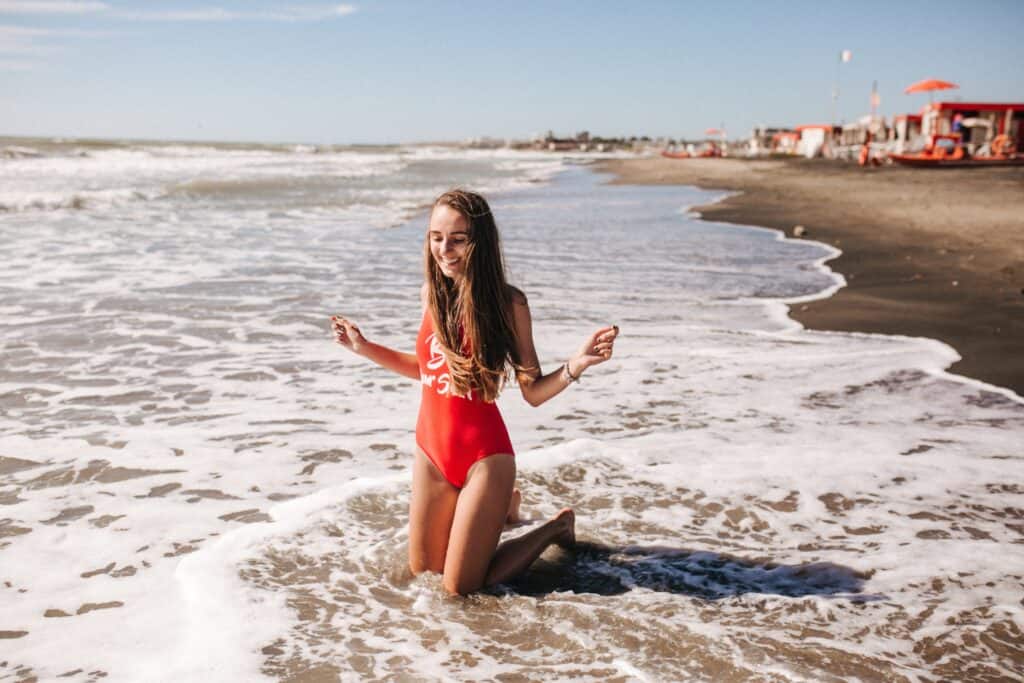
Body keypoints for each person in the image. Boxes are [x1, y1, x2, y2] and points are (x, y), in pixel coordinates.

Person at [330, 189, 618, 596]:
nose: (444, 250)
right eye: (435, 237)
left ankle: (555, 528)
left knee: (459, 589)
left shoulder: (509, 303)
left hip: (485, 458)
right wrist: (364, 348)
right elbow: (429, 371)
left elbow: (532, 392)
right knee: (424, 573)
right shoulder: (432, 295)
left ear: (478, 242)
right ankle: (502, 510)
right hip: (431, 452)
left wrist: (577, 363)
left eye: (457, 239)